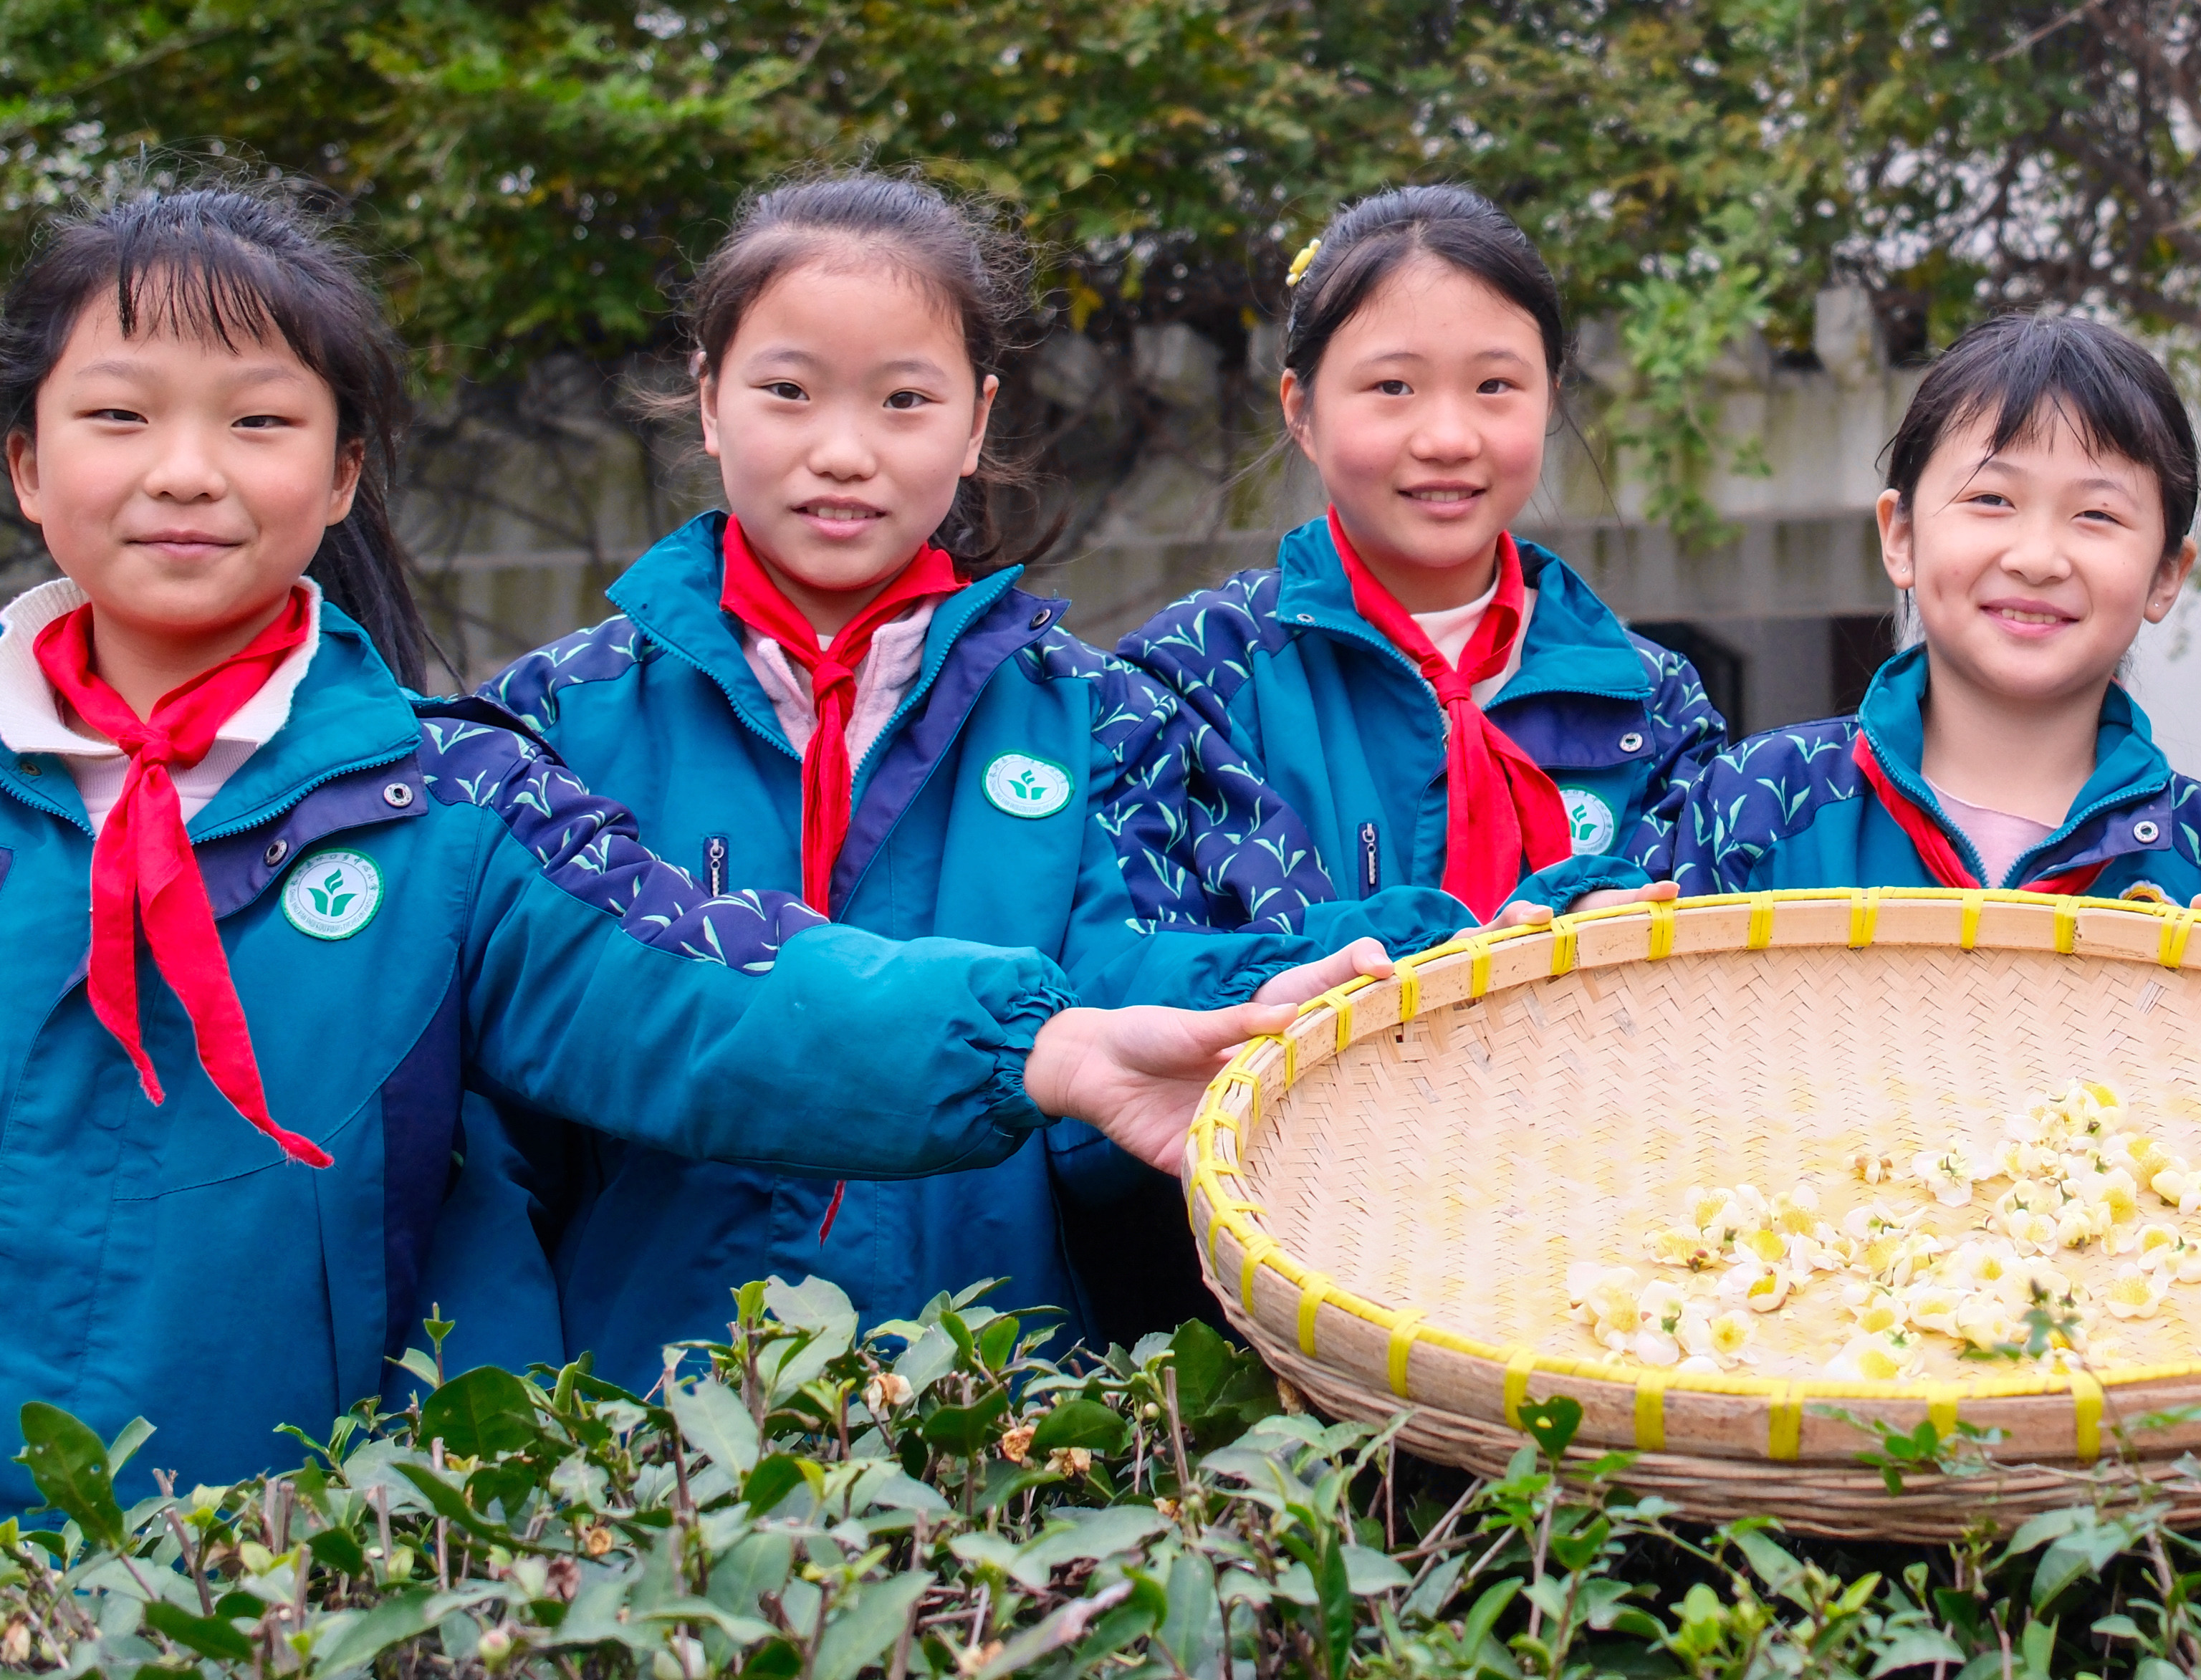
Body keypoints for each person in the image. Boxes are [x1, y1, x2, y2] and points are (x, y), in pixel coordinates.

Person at [0, 182, 1378, 1510]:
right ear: (25, 459)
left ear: (344, 469)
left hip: (308, 1572)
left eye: (257, 421)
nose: (184, 471)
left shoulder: (462, 800)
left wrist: (1051, 1046)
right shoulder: (562, 711)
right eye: (118, 416)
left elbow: (702, 984)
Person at [471, 173, 1472, 1386]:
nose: (842, 451)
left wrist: (1356, 973)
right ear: (709, 399)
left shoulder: (1098, 716)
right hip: (647, 1432)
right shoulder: (553, 722)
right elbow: (499, 1126)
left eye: (905, 400)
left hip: (1006, 1415)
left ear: (978, 419)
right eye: (787, 392)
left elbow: (1136, 970)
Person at [1525, 312, 2201, 918]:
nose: (2037, 555)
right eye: (1991, 499)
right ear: (1902, 536)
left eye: (2096, 515)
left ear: (2167, 575)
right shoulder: (1755, 809)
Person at [1118, 186, 1722, 926]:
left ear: (1550, 401)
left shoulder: (1651, 700)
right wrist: (1464, 962)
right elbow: (1156, 961)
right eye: (1393, 386)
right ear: (1300, 410)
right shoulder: (1196, 676)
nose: (1447, 438)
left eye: (1494, 385)